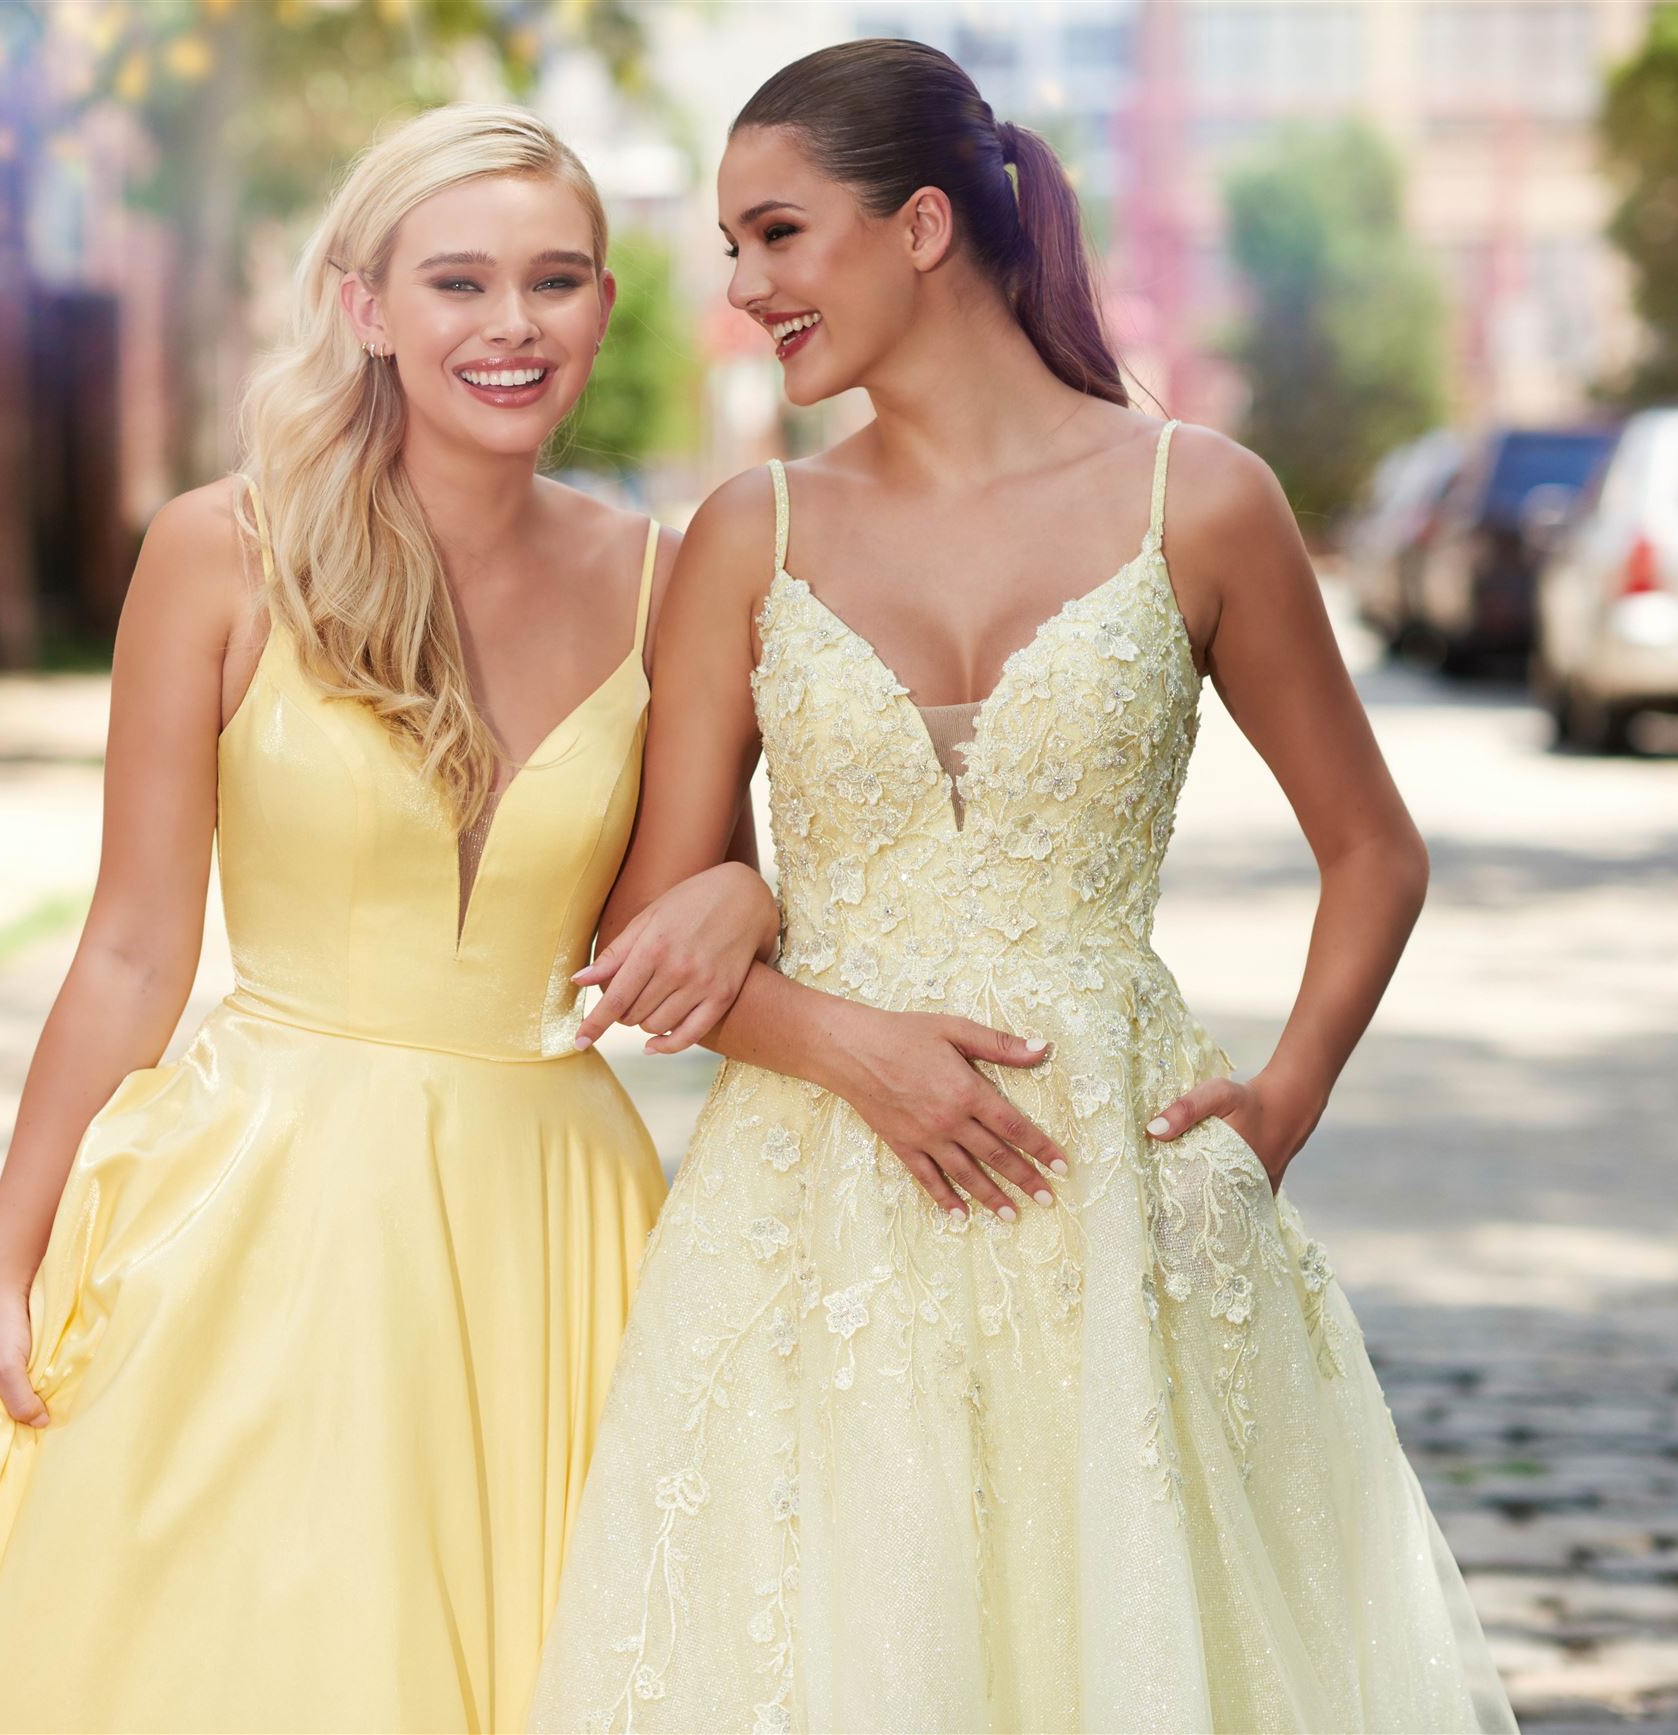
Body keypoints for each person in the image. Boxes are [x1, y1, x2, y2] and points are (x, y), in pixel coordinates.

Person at [534, 40, 1518, 1734]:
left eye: (778, 235)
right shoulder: (746, 532)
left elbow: (1376, 851)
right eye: (731, 250)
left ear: (922, 226)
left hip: (1118, 1199)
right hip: (813, 1210)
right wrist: (850, 1039)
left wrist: (1280, 1102)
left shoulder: (1197, 500)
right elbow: (653, 928)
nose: (745, 286)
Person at [0, 104, 777, 1734]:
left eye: (555, 281)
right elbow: (136, 946)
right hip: (263, 1204)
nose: (511, 326)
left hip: (553, 1225)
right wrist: (4, 1257)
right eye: (458, 282)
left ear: (603, 310)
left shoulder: (672, 577)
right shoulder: (221, 554)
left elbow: (686, 934)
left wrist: (745, 882)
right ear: (366, 309)